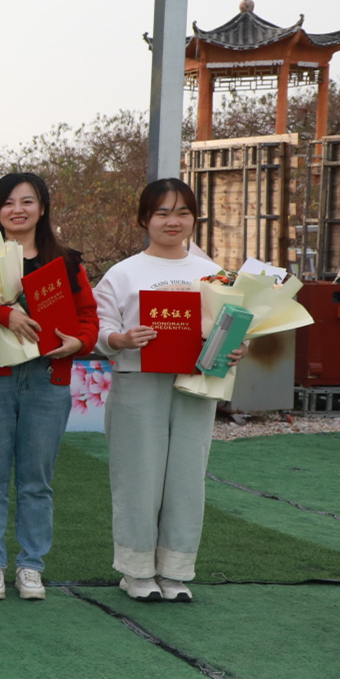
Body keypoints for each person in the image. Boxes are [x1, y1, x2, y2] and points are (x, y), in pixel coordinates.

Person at [0, 173, 99, 602]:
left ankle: (31, 565)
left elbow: (88, 317)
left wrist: (78, 343)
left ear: (42, 208)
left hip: (47, 378)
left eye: (27, 201)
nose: (18, 209)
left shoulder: (66, 263)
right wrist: (3, 315)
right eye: (8, 202)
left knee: (37, 480)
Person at [92, 178, 238, 604]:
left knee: (187, 479)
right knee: (138, 476)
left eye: (182, 213)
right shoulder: (123, 273)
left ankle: (175, 572)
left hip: (195, 384)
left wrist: (236, 347)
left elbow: (233, 324)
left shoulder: (214, 274)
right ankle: (136, 572)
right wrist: (120, 339)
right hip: (138, 383)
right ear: (144, 219)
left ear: (194, 219)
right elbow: (99, 328)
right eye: (162, 213)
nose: (173, 221)